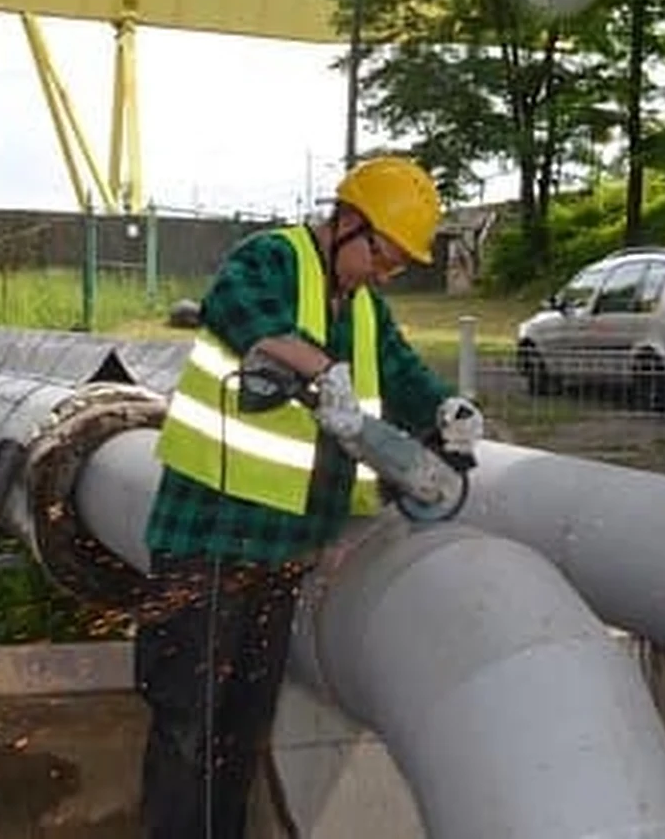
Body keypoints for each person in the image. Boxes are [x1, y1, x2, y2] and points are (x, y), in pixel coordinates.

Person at [133, 155, 484, 838]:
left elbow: (409, 378)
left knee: (239, 731)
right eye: (383, 256)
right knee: (188, 726)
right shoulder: (270, 259)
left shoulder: (364, 310)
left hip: (283, 552)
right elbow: (240, 314)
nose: (386, 274)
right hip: (207, 539)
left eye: (397, 266)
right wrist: (324, 373)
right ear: (349, 223)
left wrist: (448, 411)